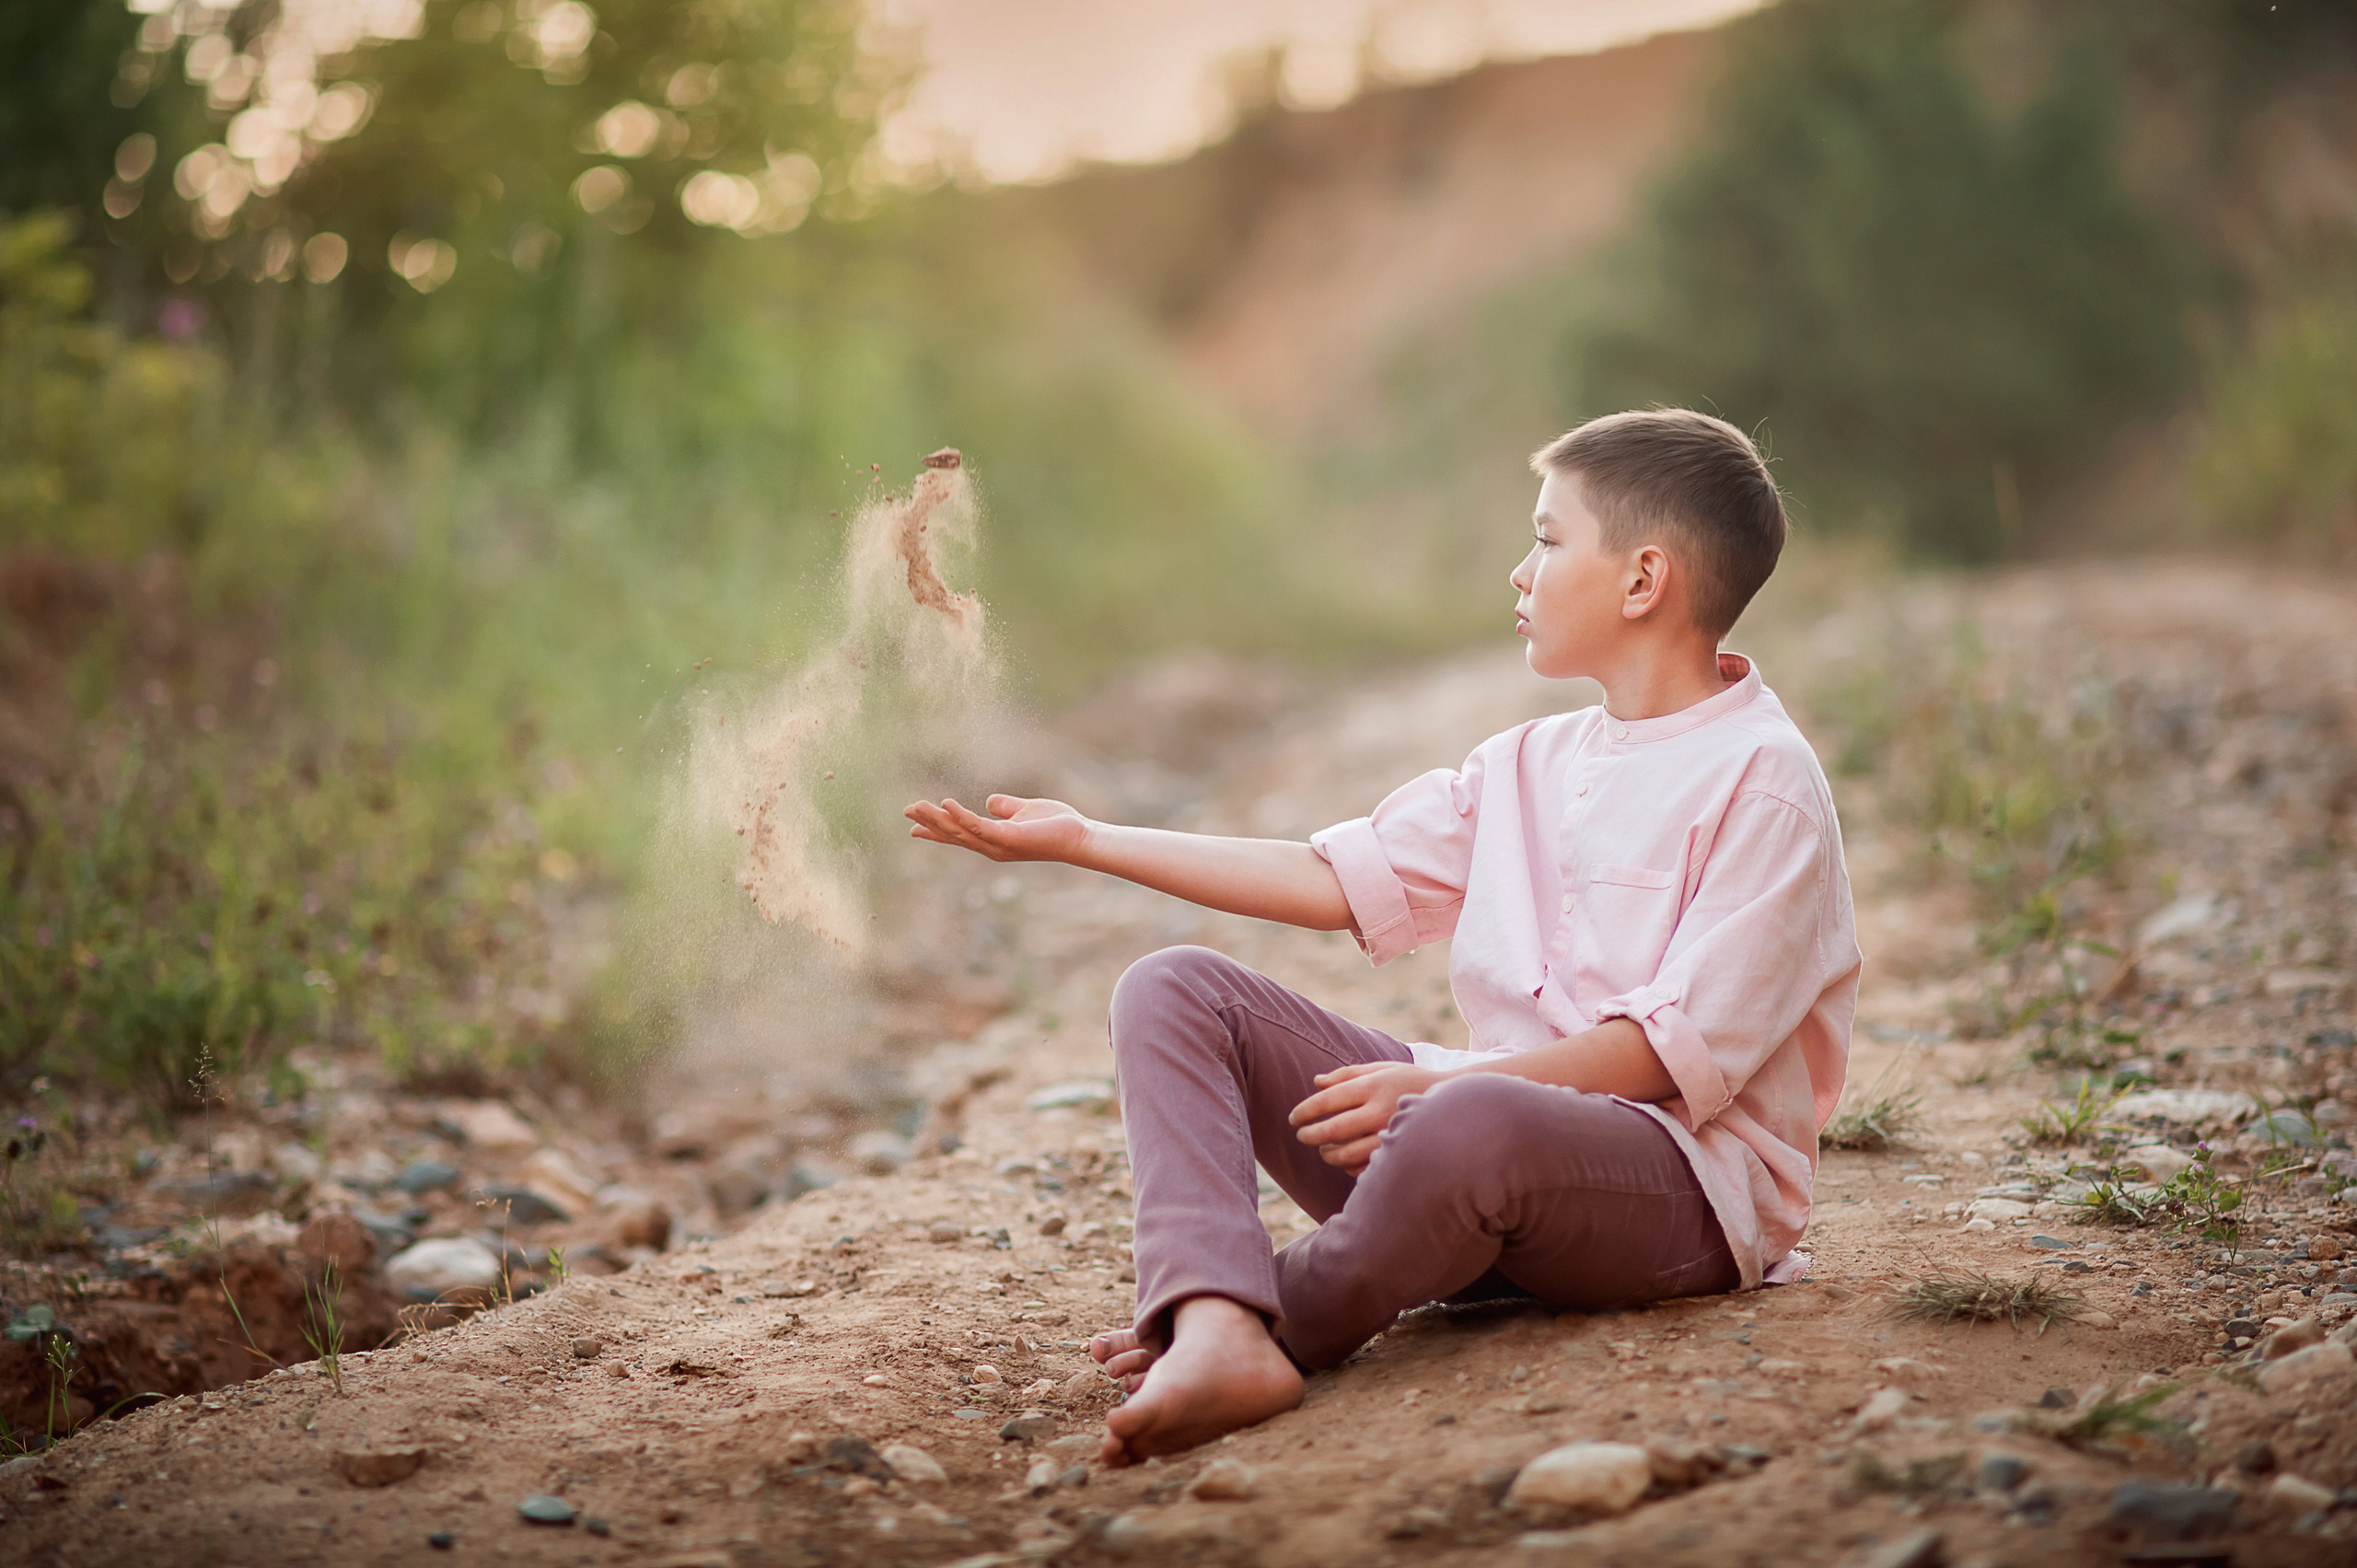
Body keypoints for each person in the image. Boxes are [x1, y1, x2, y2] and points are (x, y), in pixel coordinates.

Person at [904, 408, 1861, 1466]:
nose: (1518, 570)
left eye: (1546, 539)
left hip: (1676, 1188)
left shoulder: (1765, 780)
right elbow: (1330, 877)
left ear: (1642, 581)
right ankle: (1213, 1314)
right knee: (1175, 988)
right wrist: (1086, 839)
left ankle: (1273, 1320)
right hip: (1466, 1162)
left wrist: (1444, 1092)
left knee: (1479, 1113)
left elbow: (1666, 1053)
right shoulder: (1526, 760)